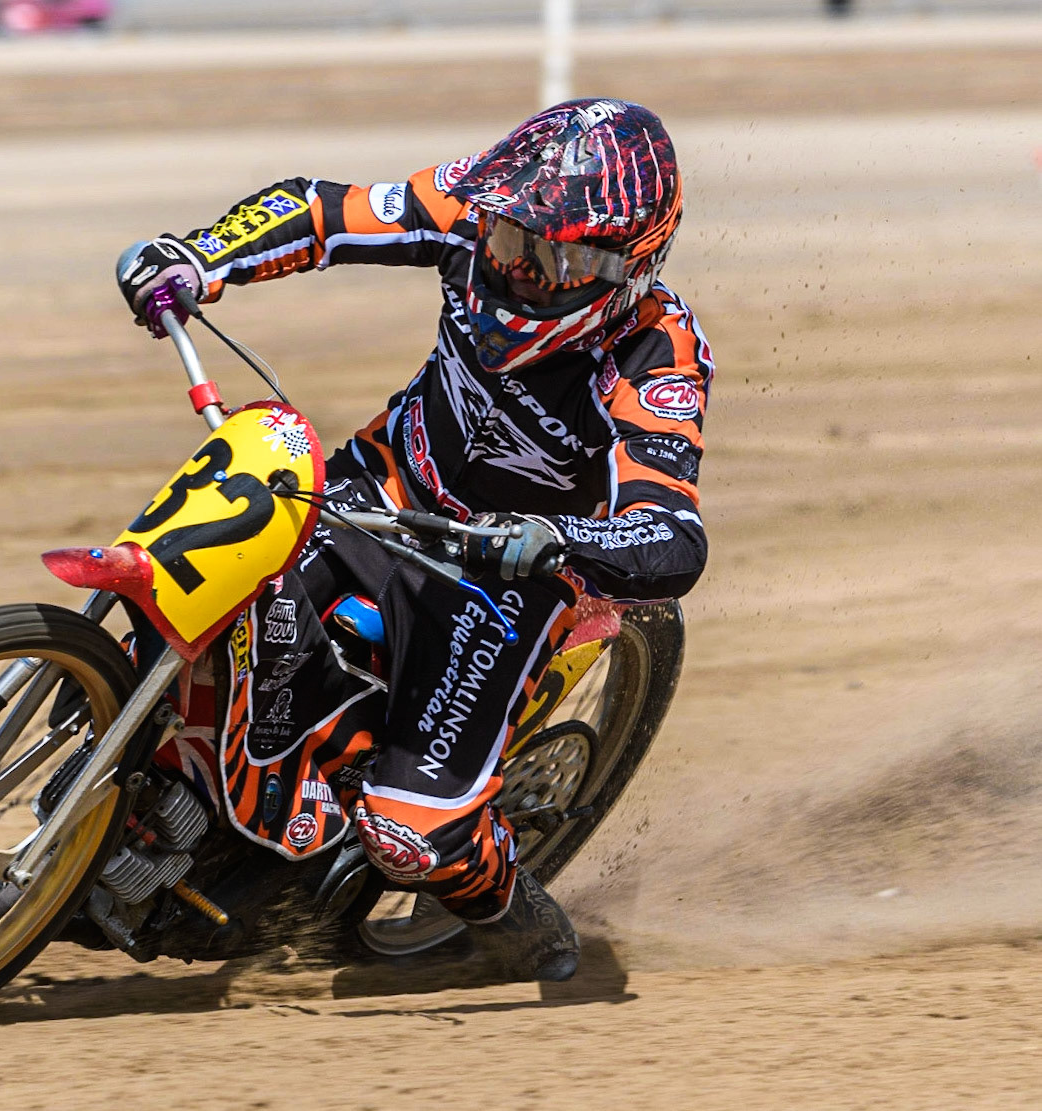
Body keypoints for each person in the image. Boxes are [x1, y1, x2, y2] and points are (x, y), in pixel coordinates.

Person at [116, 98, 712, 982]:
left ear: (627, 267)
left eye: (556, 260)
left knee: (410, 834)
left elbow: (671, 533)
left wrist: (553, 536)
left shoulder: (657, 355)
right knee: (200, 597)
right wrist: (203, 255)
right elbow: (322, 211)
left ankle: (518, 916)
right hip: (381, 483)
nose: (518, 270)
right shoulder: (478, 207)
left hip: (506, 578)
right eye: (514, 242)